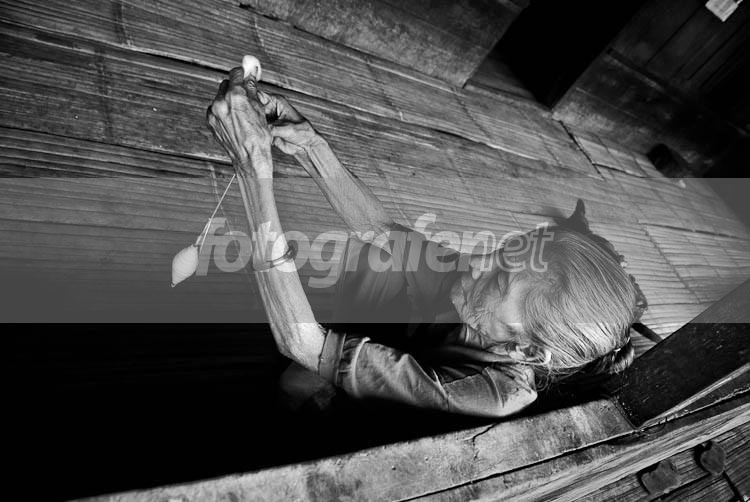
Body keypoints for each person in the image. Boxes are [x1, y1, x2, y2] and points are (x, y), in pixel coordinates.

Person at [206, 66, 638, 418]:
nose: (476, 263)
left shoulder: (492, 392)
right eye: (505, 252)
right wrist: (309, 145)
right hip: (404, 344)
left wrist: (252, 167)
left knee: (296, 383)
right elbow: (380, 230)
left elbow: (301, 343)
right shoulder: (473, 284)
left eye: (498, 280)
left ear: (524, 350)